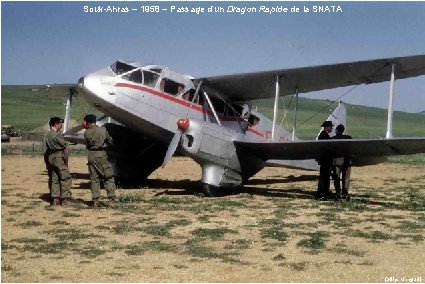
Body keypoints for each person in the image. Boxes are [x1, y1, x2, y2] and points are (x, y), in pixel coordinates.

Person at [82, 114, 117, 207]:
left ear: (87, 122)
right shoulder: (103, 130)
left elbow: (88, 145)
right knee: (108, 176)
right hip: (101, 155)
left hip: (91, 155)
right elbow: (110, 141)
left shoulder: (86, 133)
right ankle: (112, 198)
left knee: (94, 178)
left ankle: (96, 200)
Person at [44, 117, 73, 206]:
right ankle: (65, 199)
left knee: (55, 178)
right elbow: (64, 145)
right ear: (55, 124)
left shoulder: (47, 135)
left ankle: (55, 199)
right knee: (65, 177)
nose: (61, 126)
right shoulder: (57, 135)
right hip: (58, 157)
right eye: (60, 124)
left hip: (51, 157)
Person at [331, 124, 352, 200]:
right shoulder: (348, 138)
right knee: (346, 178)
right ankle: (345, 193)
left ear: (336, 130)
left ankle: (338, 193)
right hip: (347, 161)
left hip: (337, 162)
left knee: (336, 178)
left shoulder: (332, 139)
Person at [315, 120, 334, 200]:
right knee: (324, 177)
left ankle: (323, 192)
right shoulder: (324, 135)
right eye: (331, 127)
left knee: (324, 176)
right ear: (327, 127)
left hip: (323, 159)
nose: (332, 129)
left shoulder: (323, 135)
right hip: (325, 159)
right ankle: (323, 193)